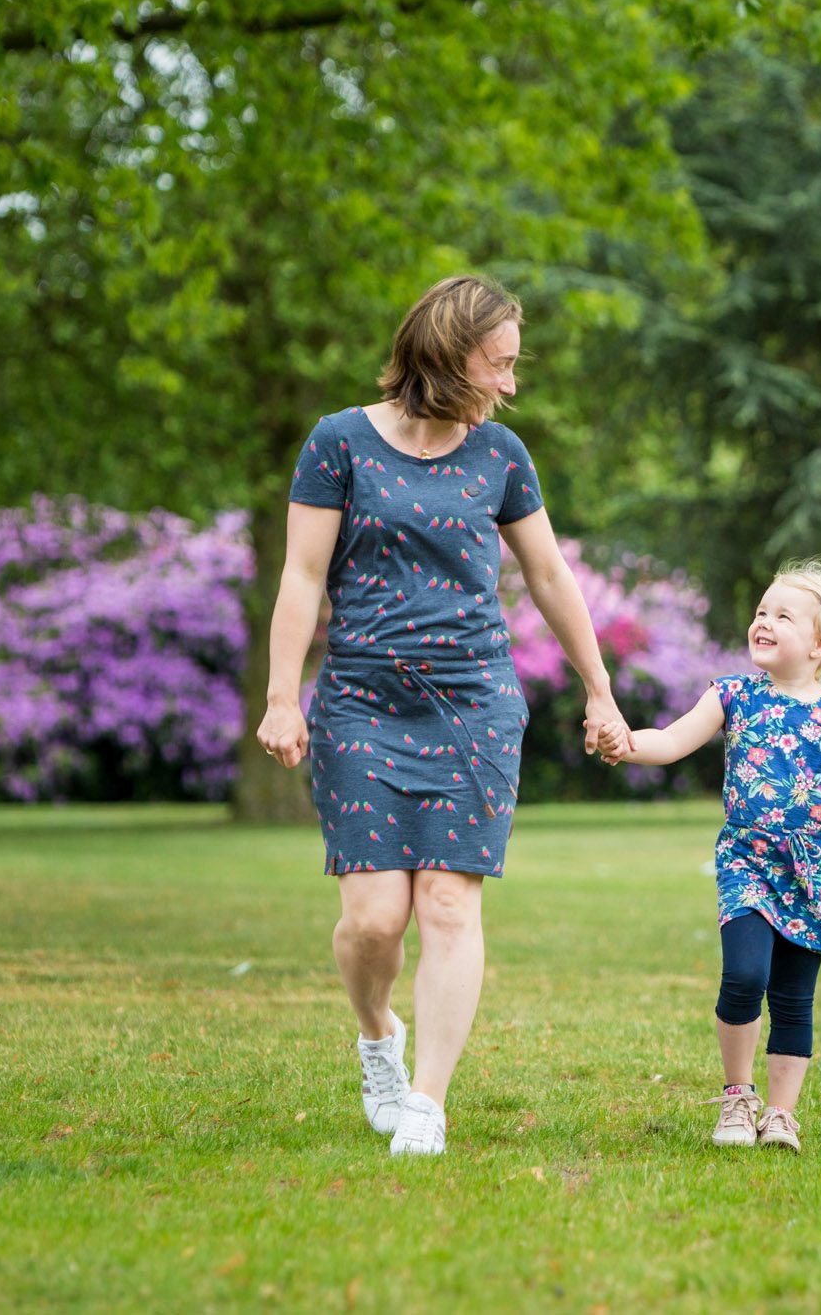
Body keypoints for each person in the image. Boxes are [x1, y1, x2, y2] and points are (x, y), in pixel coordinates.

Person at [255, 275, 634, 1157]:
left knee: (451, 907)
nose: (510, 384)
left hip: (473, 706)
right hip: (361, 705)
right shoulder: (338, 442)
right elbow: (302, 576)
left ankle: (427, 1101)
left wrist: (599, 687)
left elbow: (548, 576)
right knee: (377, 919)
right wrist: (282, 694)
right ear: (448, 352)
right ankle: (377, 1031)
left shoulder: (500, 454)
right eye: (498, 364)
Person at [597, 558, 821, 1153]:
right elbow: (673, 741)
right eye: (761, 611)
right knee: (745, 975)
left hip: (809, 873)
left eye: (783, 616)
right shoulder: (732, 695)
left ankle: (781, 1114)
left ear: (820, 643)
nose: (764, 622)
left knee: (792, 998)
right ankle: (737, 1096)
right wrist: (627, 744)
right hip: (745, 864)